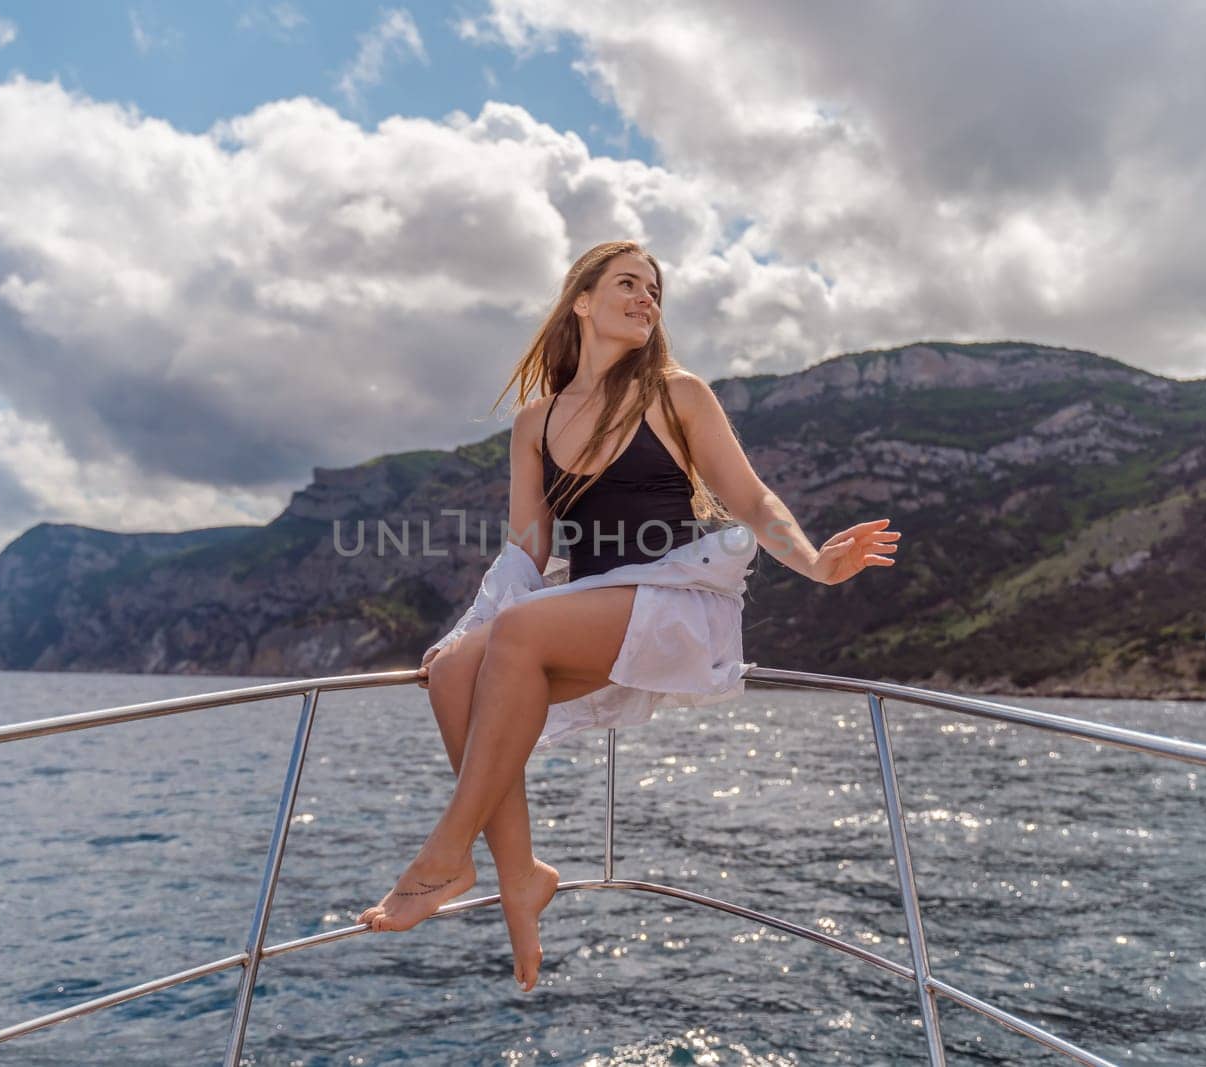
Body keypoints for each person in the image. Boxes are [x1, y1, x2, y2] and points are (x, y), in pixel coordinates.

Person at [358, 240, 900, 992]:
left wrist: (813, 560)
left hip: (676, 600)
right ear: (581, 300)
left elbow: (750, 500)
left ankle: (445, 855)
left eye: (654, 289)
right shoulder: (536, 424)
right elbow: (525, 553)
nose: (647, 298)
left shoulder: (678, 396)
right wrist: (460, 632)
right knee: (454, 670)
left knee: (518, 633)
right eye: (628, 284)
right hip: (583, 613)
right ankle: (521, 877)